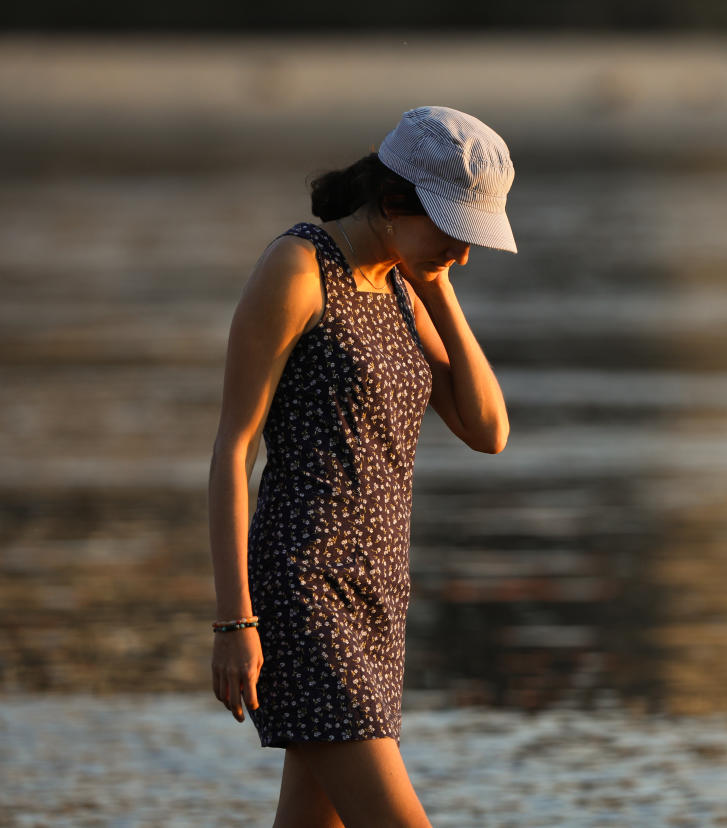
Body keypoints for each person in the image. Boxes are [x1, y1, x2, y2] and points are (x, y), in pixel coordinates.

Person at [207, 106, 515, 827]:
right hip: (304, 596)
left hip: (378, 600)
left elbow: (488, 428)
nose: (464, 254)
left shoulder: (403, 288)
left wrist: (434, 282)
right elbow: (232, 447)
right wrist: (234, 623)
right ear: (393, 201)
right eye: (454, 230)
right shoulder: (299, 268)